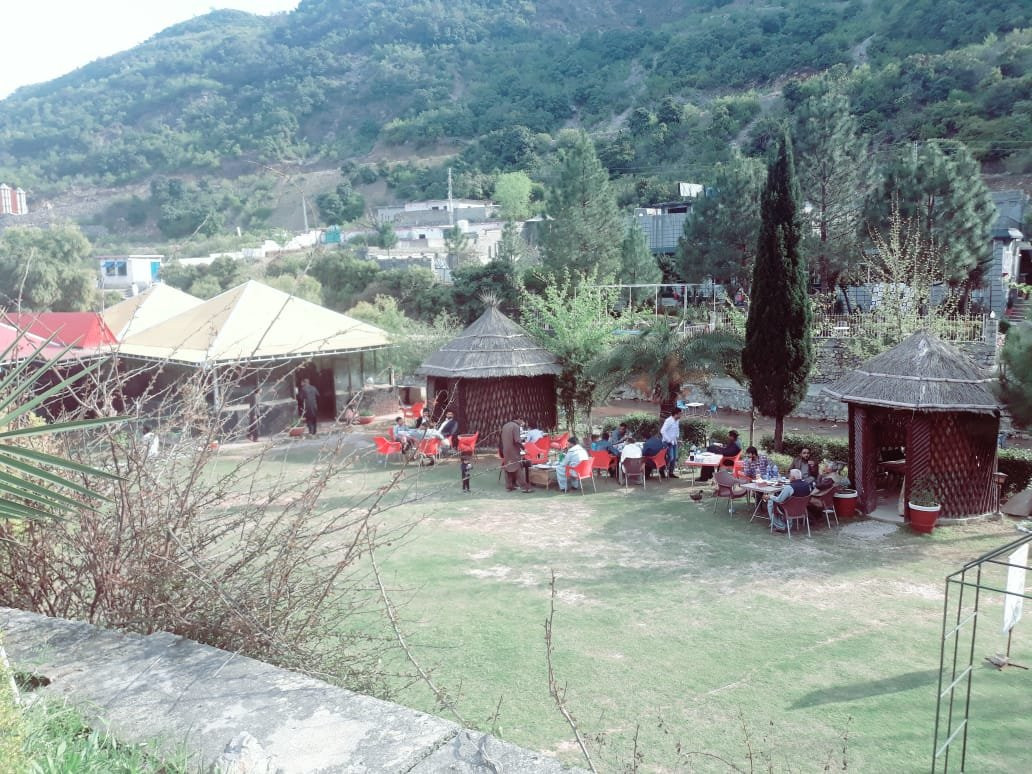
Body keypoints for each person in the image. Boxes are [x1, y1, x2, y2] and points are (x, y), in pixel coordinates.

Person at [500, 417, 532, 493]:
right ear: (519, 419)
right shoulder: (516, 426)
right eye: (523, 421)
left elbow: (501, 439)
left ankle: (509, 486)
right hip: (513, 450)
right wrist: (523, 448)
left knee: (508, 466)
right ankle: (524, 487)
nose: (523, 423)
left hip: (505, 449)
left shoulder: (505, 425)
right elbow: (517, 440)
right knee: (517, 466)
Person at [660, 408, 682, 479]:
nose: (681, 415)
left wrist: (677, 437)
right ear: (676, 414)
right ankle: (661, 469)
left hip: (674, 441)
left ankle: (671, 473)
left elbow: (677, 429)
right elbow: (662, 431)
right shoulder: (669, 421)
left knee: (674, 457)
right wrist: (669, 440)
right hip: (667, 442)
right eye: (680, 414)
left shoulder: (677, 420)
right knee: (670, 457)